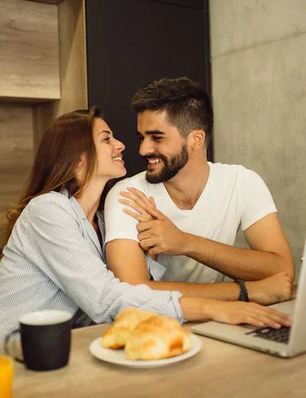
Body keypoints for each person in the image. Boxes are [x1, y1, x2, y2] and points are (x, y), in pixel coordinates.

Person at [0, 108, 291, 340]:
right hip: (5, 350)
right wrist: (220, 307)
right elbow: (107, 300)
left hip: (61, 349)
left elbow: (133, 292)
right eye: (107, 139)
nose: (122, 145)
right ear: (77, 159)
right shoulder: (48, 211)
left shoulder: (104, 222)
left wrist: (154, 252)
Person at [104, 77, 295, 304]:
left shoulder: (242, 182)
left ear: (195, 139)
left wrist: (185, 243)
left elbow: (282, 271)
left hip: (228, 322)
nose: (143, 149)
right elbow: (133, 293)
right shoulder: (129, 194)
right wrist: (245, 292)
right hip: (161, 328)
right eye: (141, 137)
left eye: (157, 137)